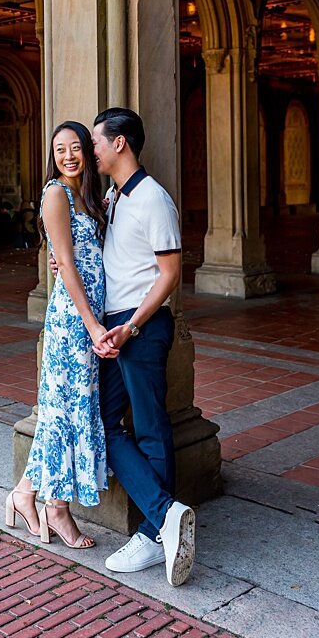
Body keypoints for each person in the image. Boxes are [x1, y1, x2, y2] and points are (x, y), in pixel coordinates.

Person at [89, 107, 197, 587]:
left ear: (120, 144)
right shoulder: (113, 196)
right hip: (114, 330)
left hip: (141, 328)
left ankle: (155, 531)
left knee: (151, 428)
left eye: (96, 142)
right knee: (104, 422)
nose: (91, 151)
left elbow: (170, 275)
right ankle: (166, 515)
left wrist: (131, 327)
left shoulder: (154, 199)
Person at [5, 121, 110, 548]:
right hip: (73, 321)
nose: (68, 155)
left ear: (87, 150)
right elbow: (64, 265)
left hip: (88, 317)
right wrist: (91, 323)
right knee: (66, 410)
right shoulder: (56, 194)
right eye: (59, 149)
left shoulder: (90, 199)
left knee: (61, 409)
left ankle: (25, 494)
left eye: (75, 147)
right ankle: (58, 509)